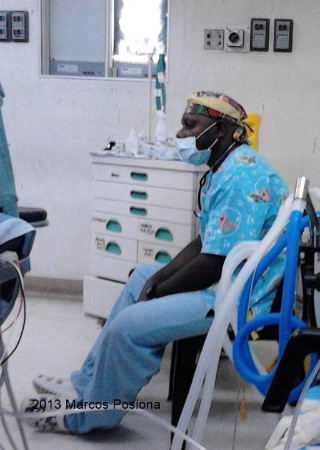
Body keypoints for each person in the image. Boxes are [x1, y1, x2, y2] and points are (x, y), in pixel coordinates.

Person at [22, 91, 289, 433]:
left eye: (190, 125)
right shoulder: (225, 167)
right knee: (140, 279)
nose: (180, 134)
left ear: (221, 130)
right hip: (225, 278)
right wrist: (157, 279)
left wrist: (160, 291)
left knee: (127, 327)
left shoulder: (240, 178)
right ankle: (84, 384)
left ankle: (91, 415)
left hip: (236, 298)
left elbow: (211, 263)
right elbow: (204, 242)